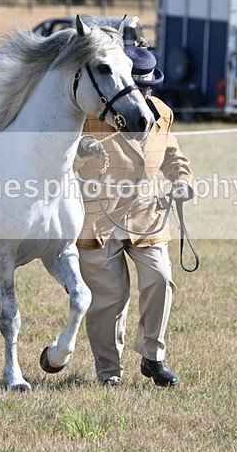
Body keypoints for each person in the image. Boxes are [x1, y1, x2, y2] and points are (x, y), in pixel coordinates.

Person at [75, 39, 194, 387]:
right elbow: (67, 160)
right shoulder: (92, 116)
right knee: (111, 297)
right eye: (134, 86)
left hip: (146, 216)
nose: (139, 94)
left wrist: (182, 179)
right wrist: (84, 151)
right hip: (98, 219)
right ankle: (109, 371)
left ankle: (153, 357)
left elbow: (172, 154)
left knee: (160, 280)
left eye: (145, 87)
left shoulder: (162, 114)